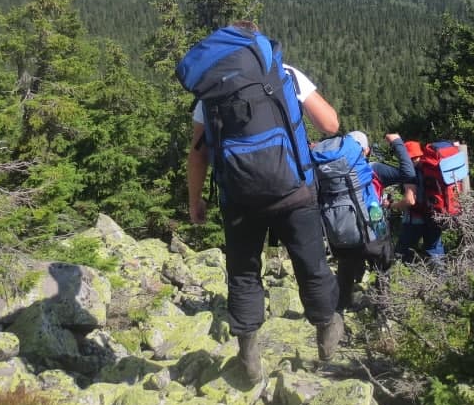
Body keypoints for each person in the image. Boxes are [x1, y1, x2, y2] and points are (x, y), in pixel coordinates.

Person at [187, 24, 344, 383]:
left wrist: (196, 200)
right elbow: (330, 124)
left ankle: (249, 352)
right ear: (257, 44)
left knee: (244, 271)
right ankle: (326, 331)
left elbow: (198, 156)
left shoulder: (210, 91)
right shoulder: (285, 73)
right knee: (311, 264)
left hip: (239, 198)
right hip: (294, 190)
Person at [333, 131, 415, 312]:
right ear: (367, 150)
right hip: (373, 234)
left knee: (345, 274)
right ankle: (383, 314)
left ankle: (338, 316)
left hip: (344, 234)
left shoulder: (332, 170)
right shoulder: (373, 169)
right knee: (383, 269)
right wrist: (398, 143)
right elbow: (407, 172)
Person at [398, 139, 446, 265]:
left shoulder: (411, 173)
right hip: (435, 217)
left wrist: (393, 205)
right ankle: (442, 279)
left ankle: (399, 280)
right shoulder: (432, 168)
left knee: (402, 251)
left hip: (415, 219)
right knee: (435, 250)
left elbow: (411, 201)